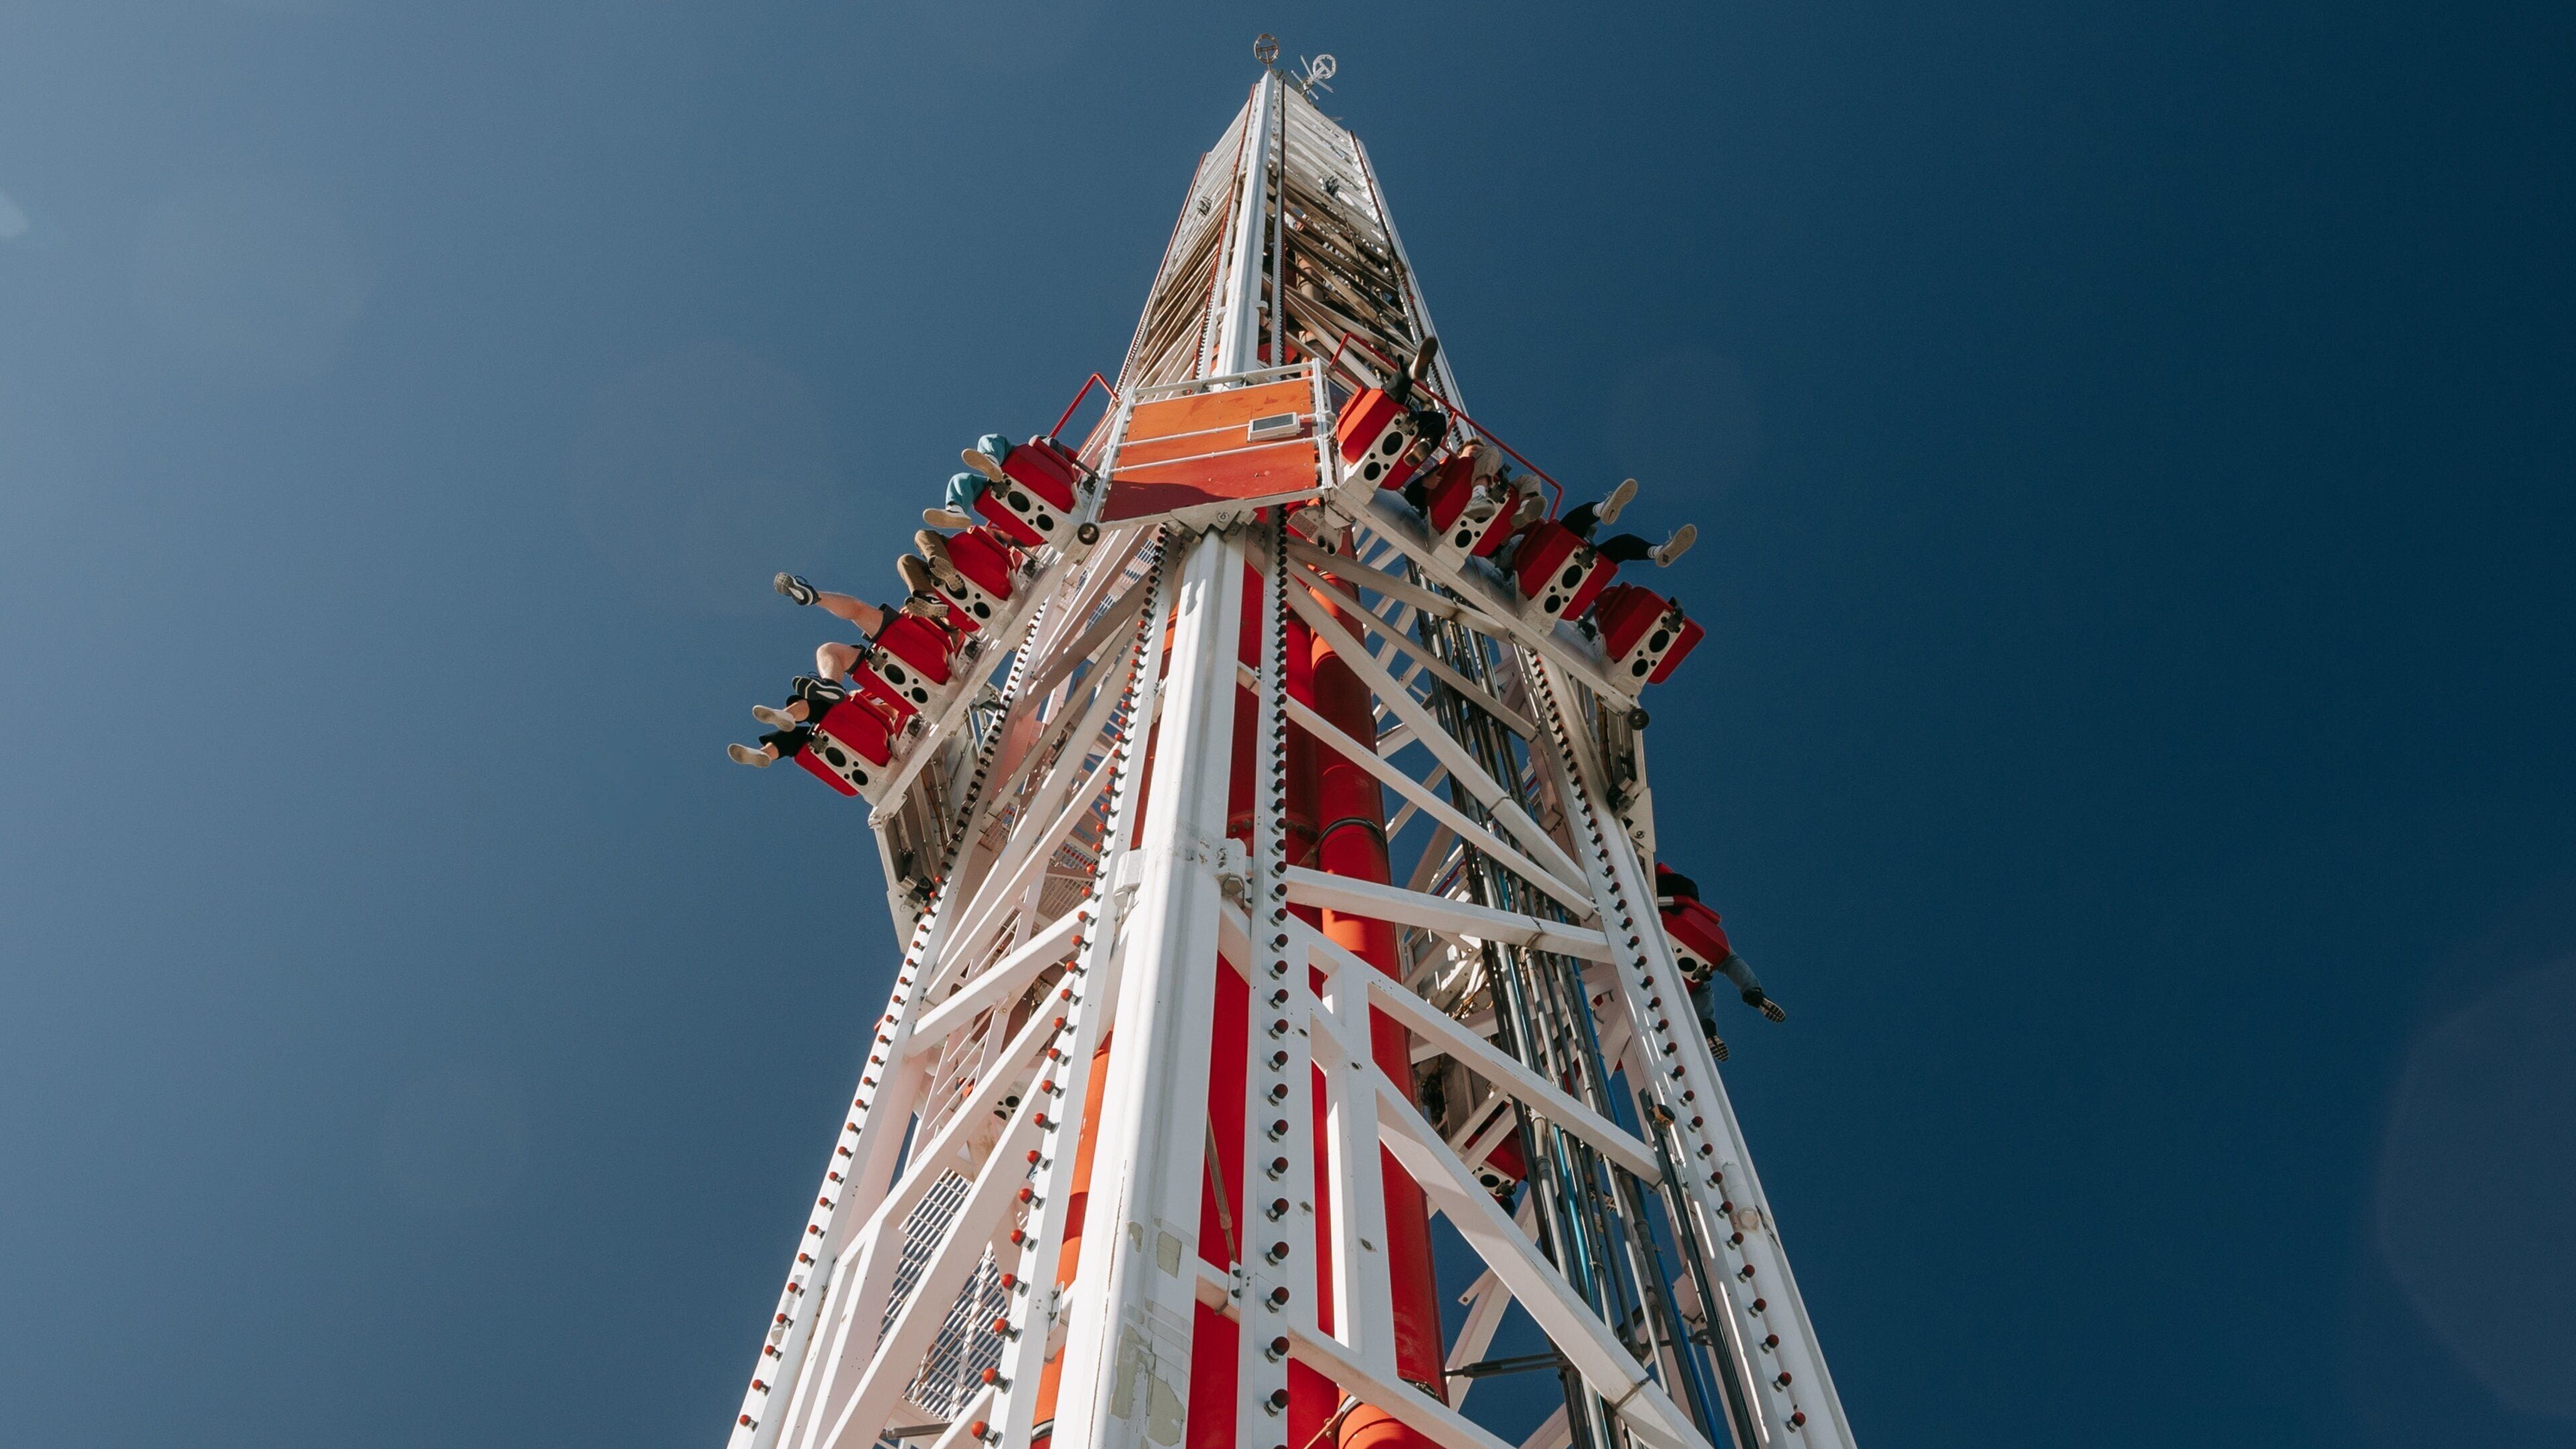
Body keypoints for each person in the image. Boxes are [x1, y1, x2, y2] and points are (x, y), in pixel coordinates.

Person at [1656, 863, 1788, 1026]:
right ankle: (1751, 993)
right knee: (1723, 962)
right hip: (1691, 929)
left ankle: (1707, 1023)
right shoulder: (1691, 906)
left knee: (1701, 987)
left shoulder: (1660, 888)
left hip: (1672, 921)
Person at [1561, 478, 1696, 567]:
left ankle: (1660, 552)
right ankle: (1655, 552)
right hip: (1571, 559)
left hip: (1569, 556)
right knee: (1623, 544)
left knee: (1570, 526)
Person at [925, 433, 1016, 529]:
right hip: (1005, 481)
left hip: (1021, 469)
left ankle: (992, 460)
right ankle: (956, 511)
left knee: (990, 439)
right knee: (961, 480)